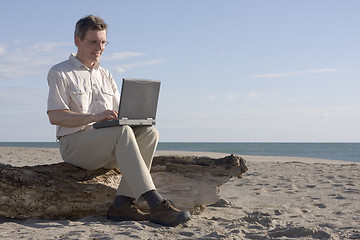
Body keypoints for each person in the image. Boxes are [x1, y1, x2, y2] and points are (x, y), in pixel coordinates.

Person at [46, 15, 190, 227]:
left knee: (150, 133)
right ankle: (155, 203)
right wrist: (94, 117)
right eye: (93, 41)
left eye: (103, 42)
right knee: (121, 133)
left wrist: (137, 119)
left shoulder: (106, 75)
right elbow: (55, 116)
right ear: (77, 40)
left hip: (108, 144)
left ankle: (123, 203)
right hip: (75, 144)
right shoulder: (60, 72)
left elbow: (121, 114)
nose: (100, 47)